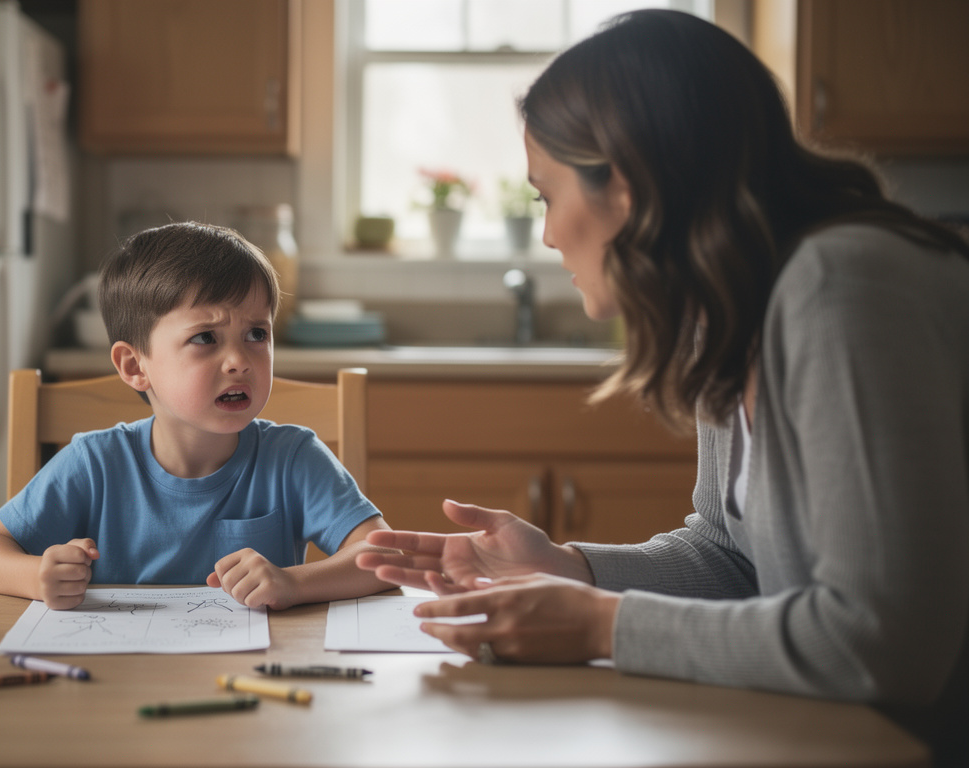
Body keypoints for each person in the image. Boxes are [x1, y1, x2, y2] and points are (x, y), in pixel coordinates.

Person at [355, 10, 968, 766]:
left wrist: (599, 625)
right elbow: (733, 560)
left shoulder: (839, 286)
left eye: (547, 196)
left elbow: (886, 644)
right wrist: (571, 570)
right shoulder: (733, 306)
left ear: (625, 186)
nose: (546, 235)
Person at [0, 222, 392, 611]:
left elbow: (384, 556)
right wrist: (35, 576)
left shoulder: (293, 457)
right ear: (135, 367)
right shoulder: (94, 463)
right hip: (121, 681)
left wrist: (293, 583)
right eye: (206, 337)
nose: (239, 361)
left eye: (256, 334)